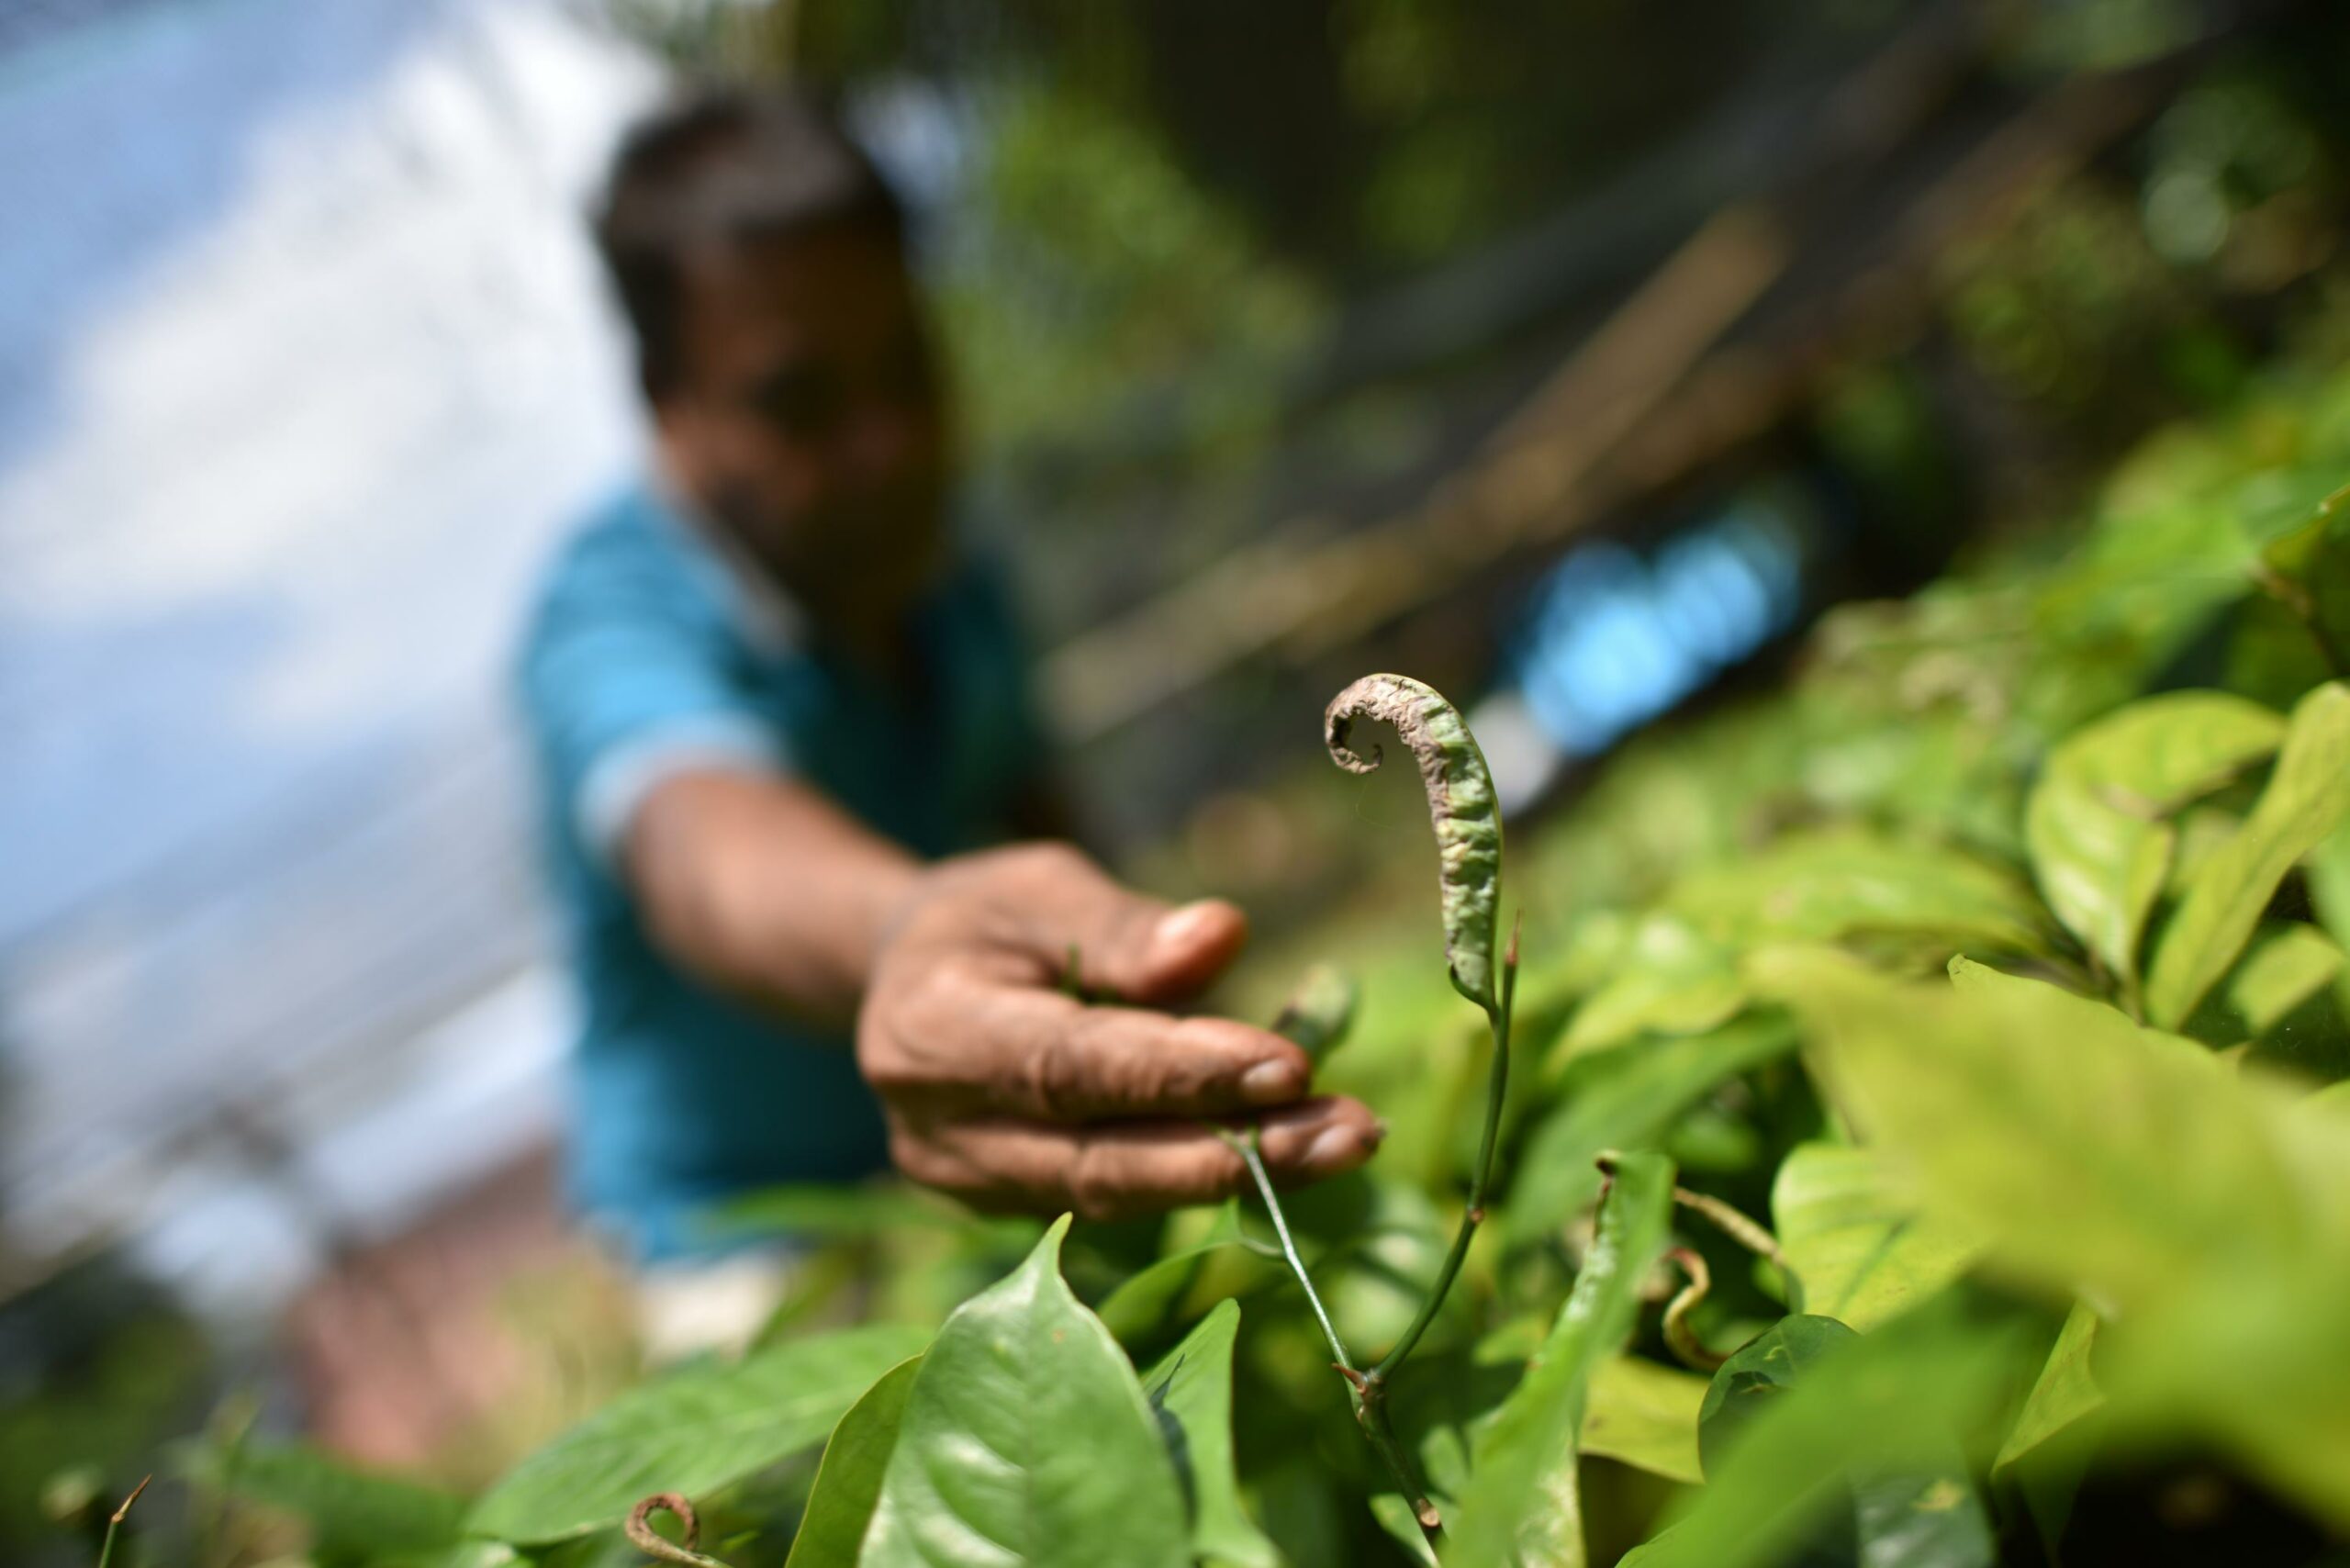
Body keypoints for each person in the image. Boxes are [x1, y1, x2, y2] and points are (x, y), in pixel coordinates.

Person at [515, 88, 1381, 1348]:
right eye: (800, 404)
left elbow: (1032, 803)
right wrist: (903, 934)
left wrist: (1161, 992)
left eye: (907, 370)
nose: (885, 445)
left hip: (961, 1156)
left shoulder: (940, 572)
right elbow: (702, 839)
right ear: (669, 402)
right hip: (749, 1238)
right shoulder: (611, 615)